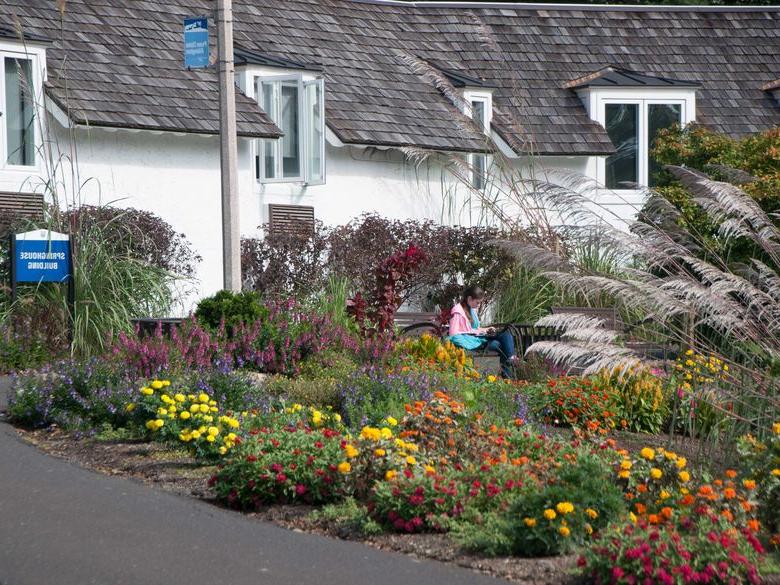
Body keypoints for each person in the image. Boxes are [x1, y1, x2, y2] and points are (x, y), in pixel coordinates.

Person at [447, 285, 518, 377]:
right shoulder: (458, 312)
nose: (478, 305)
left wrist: (486, 330)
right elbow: (454, 334)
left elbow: (473, 329)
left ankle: (509, 365)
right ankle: (509, 370)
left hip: (477, 339)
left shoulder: (470, 310)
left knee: (505, 335)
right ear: (469, 299)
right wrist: (470, 342)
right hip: (473, 343)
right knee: (500, 343)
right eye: (477, 302)